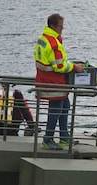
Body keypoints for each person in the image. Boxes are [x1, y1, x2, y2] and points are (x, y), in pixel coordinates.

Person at [34, 13, 84, 150]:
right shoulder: (53, 43)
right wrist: (75, 67)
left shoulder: (44, 39)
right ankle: (48, 139)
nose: (62, 29)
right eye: (60, 26)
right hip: (53, 82)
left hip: (47, 80)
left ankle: (63, 137)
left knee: (65, 106)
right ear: (53, 26)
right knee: (55, 110)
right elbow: (59, 66)